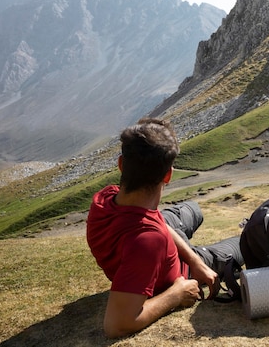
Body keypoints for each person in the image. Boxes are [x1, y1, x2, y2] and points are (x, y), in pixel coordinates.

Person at [86, 118, 242, 338]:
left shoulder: (105, 197)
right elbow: (117, 325)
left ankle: (197, 253)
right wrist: (176, 294)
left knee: (193, 209)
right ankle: (212, 254)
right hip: (176, 270)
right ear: (168, 175)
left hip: (165, 244)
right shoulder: (147, 241)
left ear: (121, 164)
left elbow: (153, 221)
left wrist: (194, 262)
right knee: (241, 244)